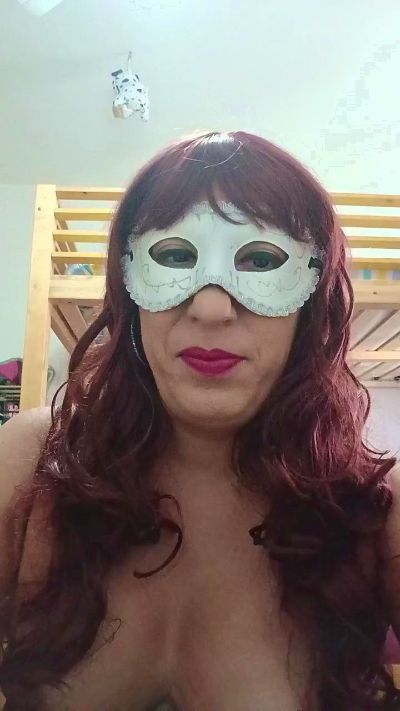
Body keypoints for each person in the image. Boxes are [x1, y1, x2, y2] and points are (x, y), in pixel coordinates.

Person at [1, 130, 400, 711]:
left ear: (310, 301)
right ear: (130, 288)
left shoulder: (376, 512)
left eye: (260, 261)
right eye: (174, 256)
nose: (211, 309)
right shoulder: (31, 465)